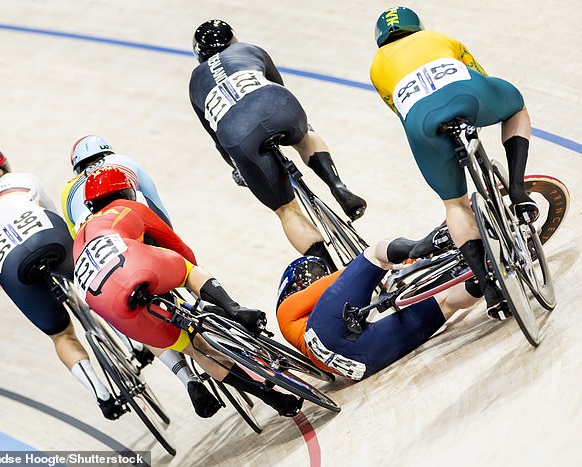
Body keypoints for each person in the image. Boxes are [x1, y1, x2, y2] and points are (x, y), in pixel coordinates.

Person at [73, 166, 304, 416]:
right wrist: (198, 288)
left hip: (110, 306)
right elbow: (179, 249)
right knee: (185, 269)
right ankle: (235, 310)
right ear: (126, 192)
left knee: (199, 349)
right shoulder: (128, 208)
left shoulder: (78, 238)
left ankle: (272, 399)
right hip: (135, 268)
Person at [369, 6, 539, 320]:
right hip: (468, 94)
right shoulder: (438, 37)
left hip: (422, 121)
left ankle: (490, 290)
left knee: (455, 205)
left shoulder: (376, 66)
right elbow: (482, 76)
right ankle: (517, 190)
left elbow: (399, 111)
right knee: (515, 107)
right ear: (417, 27)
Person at [62, 134, 220, 418]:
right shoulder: (123, 163)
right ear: (107, 151)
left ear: (75, 167)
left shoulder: (67, 192)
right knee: (182, 268)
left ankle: (188, 379)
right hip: (137, 230)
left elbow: (82, 239)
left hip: (106, 262)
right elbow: (156, 209)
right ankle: (215, 305)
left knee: (141, 314)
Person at [189, 19, 367, 271]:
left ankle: (332, 274)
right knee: (305, 134)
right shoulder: (250, 49)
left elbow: (218, 139)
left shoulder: (195, 81)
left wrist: (238, 168)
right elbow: (279, 86)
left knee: (286, 209)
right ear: (233, 41)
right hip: (276, 105)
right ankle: (337, 186)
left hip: (239, 135)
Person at [0, 143, 125, 420]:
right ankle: (133, 344)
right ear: (4, 166)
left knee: (60, 334)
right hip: (48, 239)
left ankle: (102, 396)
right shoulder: (24, 179)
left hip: (13, 267)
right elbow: (59, 218)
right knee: (96, 286)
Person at [276, 240, 480, 380]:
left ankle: (486, 277)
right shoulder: (285, 309)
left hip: (360, 365)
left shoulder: (293, 328)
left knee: (446, 302)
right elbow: (345, 276)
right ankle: (431, 241)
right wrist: (402, 259)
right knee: (374, 255)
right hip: (325, 332)